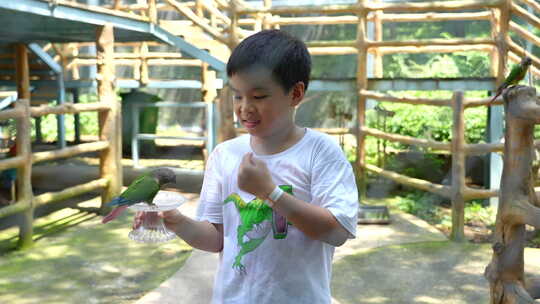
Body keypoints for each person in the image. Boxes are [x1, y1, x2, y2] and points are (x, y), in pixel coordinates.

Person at [136, 29, 358, 303]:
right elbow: (217, 239)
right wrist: (177, 221)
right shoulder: (225, 155)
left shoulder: (321, 152)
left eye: (259, 96)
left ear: (296, 93)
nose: (244, 108)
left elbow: (336, 232)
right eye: (238, 95)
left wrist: (270, 193)